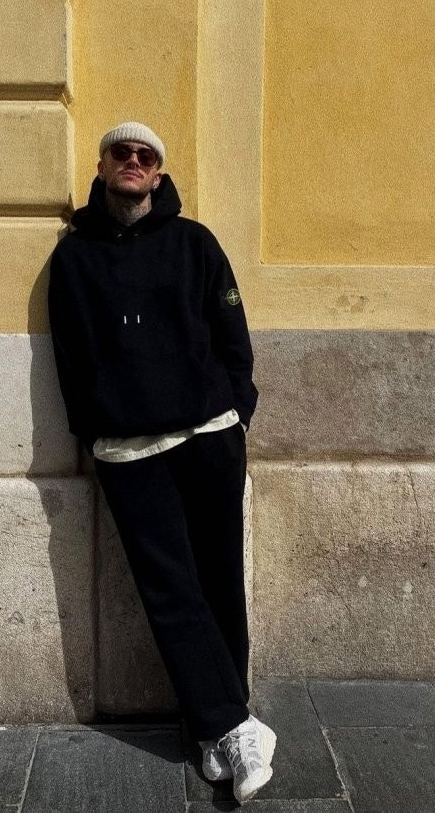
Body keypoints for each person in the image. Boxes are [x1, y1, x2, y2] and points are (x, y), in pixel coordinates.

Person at [48, 121, 277, 804]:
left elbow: (232, 332)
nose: (133, 161)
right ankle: (233, 726)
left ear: (157, 172)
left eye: (145, 156)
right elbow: (69, 354)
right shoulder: (75, 256)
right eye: (122, 152)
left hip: (208, 435)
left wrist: (237, 410)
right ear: (103, 166)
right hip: (129, 449)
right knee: (170, 592)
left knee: (218, 581)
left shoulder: (194, 243)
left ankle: (215, 728)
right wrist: (93, 433)